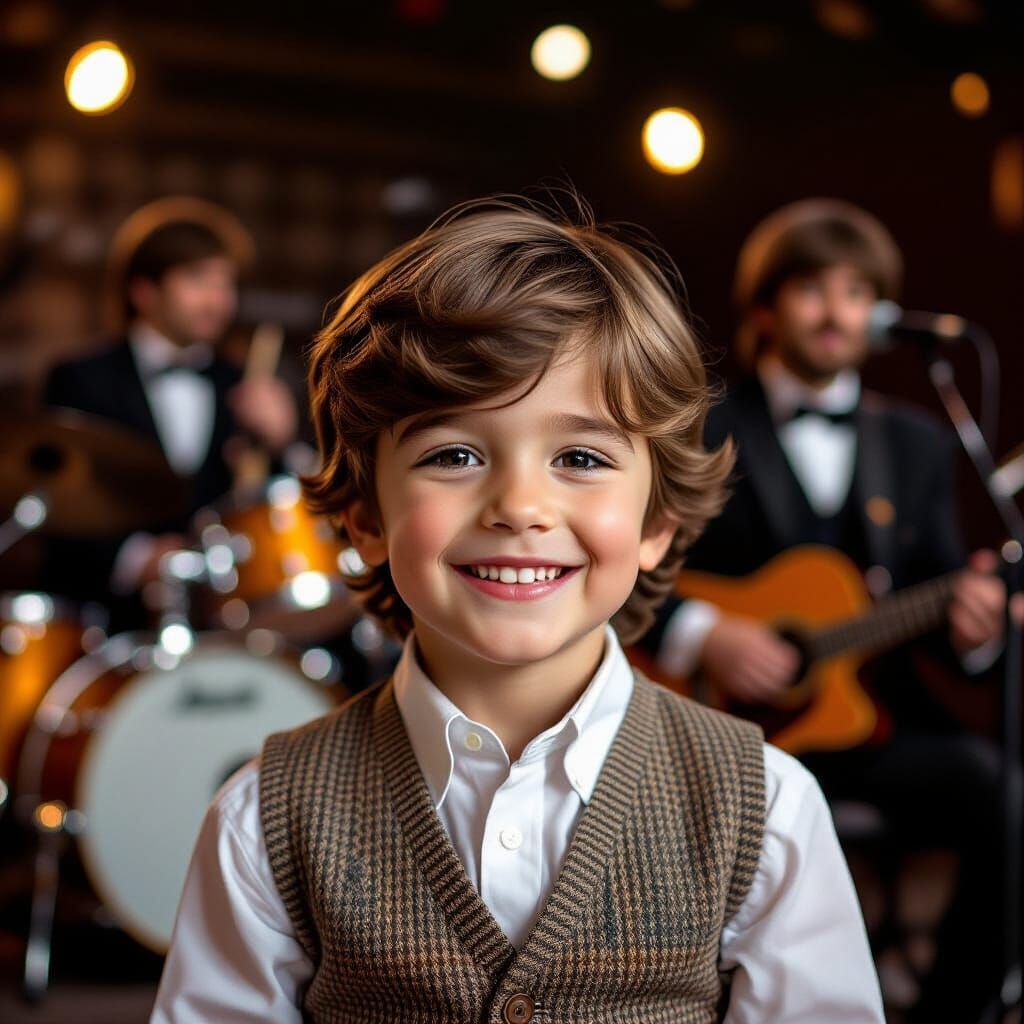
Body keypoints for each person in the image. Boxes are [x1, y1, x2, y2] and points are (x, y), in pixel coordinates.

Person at [151, 197, 884, 1022]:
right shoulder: (264, 817)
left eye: (579, 456)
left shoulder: (768, 806)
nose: (520, 505)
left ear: (656, 521)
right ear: (365, 516)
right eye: (455, 454)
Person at [644, 198, 1009, 1022]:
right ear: (766, 307)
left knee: (1002, 792)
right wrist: (706, 633)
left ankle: (953, 1010)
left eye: (857, 290)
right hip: (721, 732)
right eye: (813, 288)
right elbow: (626, 578)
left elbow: (946, 592)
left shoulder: (915, 440)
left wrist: (978, 629)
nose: (838, 310)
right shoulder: (699, 428)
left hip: (866, 724)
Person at [41, 198, 299, 626]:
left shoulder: (243, 383)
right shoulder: (80, 378)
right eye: (198, 279)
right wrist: (136, 559)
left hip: (220, 621)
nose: (218, 300)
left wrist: (283, 442)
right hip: (110, 621)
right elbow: (52, 502)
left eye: (226, 283)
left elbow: (277, 515)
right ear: (143, 290)